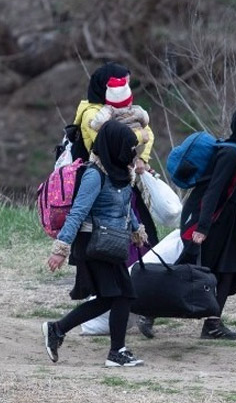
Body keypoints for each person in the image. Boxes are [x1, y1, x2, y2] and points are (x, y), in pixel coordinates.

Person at [42, 120, 147, 367]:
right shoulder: (93, 175)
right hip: (93, 244)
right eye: (128, 147)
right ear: (114, 147)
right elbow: (78, 212)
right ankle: (116, 352)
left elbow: (125, 207)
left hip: (112, 242)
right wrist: (60, 249)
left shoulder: (122, 173)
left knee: (110, 297)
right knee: (123, 294)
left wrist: (137, 230)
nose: (132, 153)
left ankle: (57, 329)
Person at [166, 105, 236, 340]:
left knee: (230, 268)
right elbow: (212, 192)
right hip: (206, 217)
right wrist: (202, 228)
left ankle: (213, 323)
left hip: (228, 219)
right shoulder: (231, 153)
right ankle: (150, 309)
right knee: (192, 270)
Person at [71, 62, 160, 338]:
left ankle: (133, 312)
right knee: (112, 259)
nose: (125, 89)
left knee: (142, 244)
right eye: (119, 84)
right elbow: (112, 140)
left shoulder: (121, 110)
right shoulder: (92, 113)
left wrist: (142, 159)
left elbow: (146, 135)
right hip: (104, 193)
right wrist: (139, 135)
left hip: (124, 185)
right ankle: (106, 325)